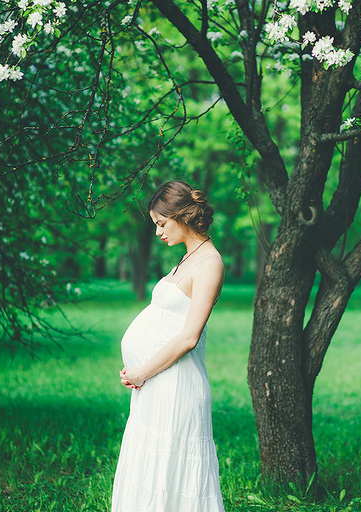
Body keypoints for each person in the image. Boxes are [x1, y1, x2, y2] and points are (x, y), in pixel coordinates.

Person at [112, 181, 226, 512]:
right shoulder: (188, 258)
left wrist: (141, 372)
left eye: (162, 223)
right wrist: (139, 373)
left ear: (181, 215)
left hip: (177, 386)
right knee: (148, 471)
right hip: (156, 384)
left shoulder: (209, 263)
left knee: (171, 477)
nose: (159, 232)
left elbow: (189, 337)